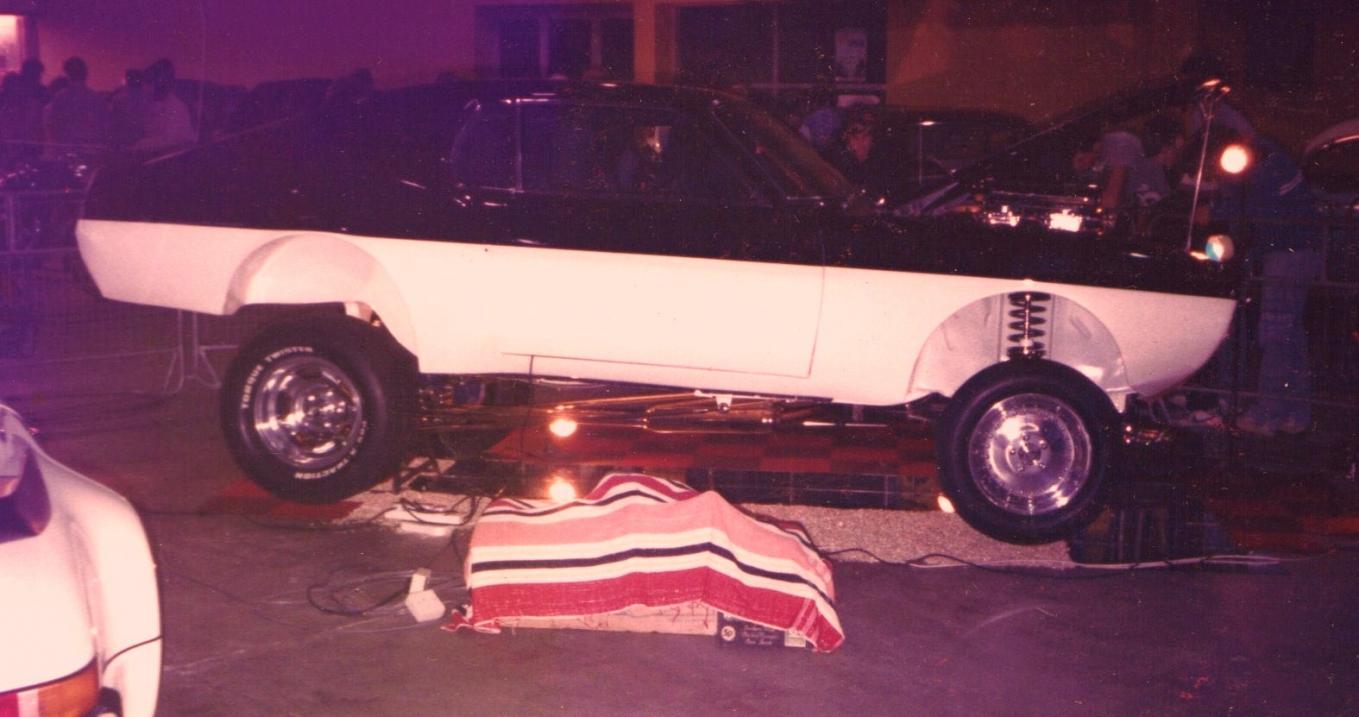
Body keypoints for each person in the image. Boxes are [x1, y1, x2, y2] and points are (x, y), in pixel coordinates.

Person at [1200, 131, 1321, 435]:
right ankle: (1295, 413)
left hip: (1288, 255)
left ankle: (1268, 414)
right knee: (1289, 334)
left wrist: (1213, 211)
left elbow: (1251, 210)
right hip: (1292, 252)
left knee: (1275, 331)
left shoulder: (1269, 166)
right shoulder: (1271, 159)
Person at [44, 57, 110, 158]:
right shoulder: (96, 98)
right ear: (85, 74)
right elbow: (104, 125)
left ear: (67, 73)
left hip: (67, 149)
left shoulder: (61, 98)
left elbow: (54, 125)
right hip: (91, 149)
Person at [133, 59, 196, 151]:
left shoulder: (177, 108)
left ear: (159, 84)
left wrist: (140, 145)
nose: (144, 88)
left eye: (148, 84)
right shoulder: (151, 105)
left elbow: (170, 141)